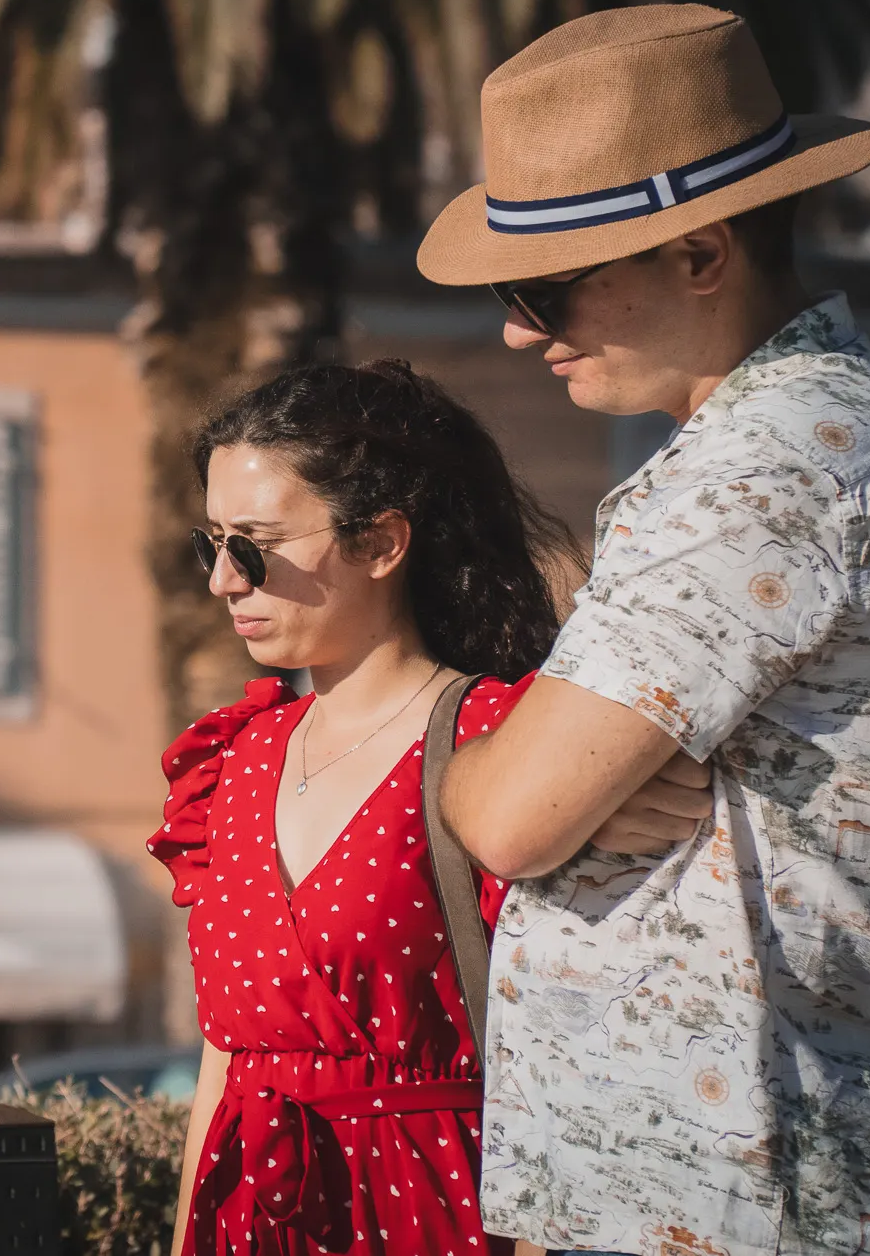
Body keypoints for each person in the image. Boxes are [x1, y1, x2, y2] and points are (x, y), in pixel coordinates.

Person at [418, 4, 870, 1255]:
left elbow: (510, 818)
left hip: (750, 1194)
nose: (518, 328)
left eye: (547, 286)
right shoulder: (822, 438)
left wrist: (486, 773)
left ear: (703, 254)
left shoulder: (764, 471)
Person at [152, 360, 594, 1256]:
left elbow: (563, 1050)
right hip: (246, 1221)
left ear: (382, 542)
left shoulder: (498, 741)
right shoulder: (231, 759)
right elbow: (226, 1057)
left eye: (255, 546)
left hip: (430, 1214)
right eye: (211, 545)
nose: (222, 582)